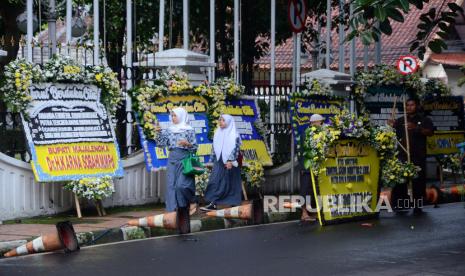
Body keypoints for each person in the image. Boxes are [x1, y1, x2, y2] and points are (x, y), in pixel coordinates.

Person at [389, 98, 433, 214]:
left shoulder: (425, 119)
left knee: (418, 181)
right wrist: (391, 126)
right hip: (403, 155)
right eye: (407, 105)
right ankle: (399, 205)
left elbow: (430, 132)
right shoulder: (400, 120)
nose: (409, 107)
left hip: (418, 155)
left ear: (417, 106)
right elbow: (396, 135)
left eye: (412, 105)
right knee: (401, 180)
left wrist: (416, 128)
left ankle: (417, 205)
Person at [155, 107, 198, 214]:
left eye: (175, 115)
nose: (173, 118)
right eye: (172, 115)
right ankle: (172, 212)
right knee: (171, 185)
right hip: (172, 159)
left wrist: (187, 144)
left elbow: (195, 148)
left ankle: (192, 201)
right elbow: (161, 145)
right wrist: (159, 133)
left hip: (185, 159)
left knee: (182, 185)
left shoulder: (189, 129)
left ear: (181, 116)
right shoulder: (169, 130)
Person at [201, 114, 242, 211]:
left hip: (230, 162)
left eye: (223, 120)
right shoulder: (217, 132)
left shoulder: (234, 134)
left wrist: (230, 161)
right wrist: (211, 160)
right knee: (215, 181)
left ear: (228, 122)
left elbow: (236, 149)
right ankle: (213, 203)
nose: (220, 122)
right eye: (220, 120)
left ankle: (234, 203)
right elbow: (214, 147)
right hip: (219, 162)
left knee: (230, 182)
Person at [299, 113, 325, 223]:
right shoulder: (307, 133)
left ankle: (313, 212)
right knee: (306, 189)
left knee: (314, 190)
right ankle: (304, 213)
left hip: (316, 166)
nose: (321, 124)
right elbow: (307, 150)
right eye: (320, 122)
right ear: (314, 122)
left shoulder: (319, 132)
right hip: (307, 166)